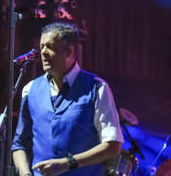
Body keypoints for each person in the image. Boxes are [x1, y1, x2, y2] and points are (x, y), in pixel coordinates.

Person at [12, 22, 123, 176]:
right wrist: (25, 173)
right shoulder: (30, 89)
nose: (43, 52)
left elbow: (113, 146)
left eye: (50, 47)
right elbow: (19, 144)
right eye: (42, 46)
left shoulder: (97, 88)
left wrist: (67, 163)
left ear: (69, 51)